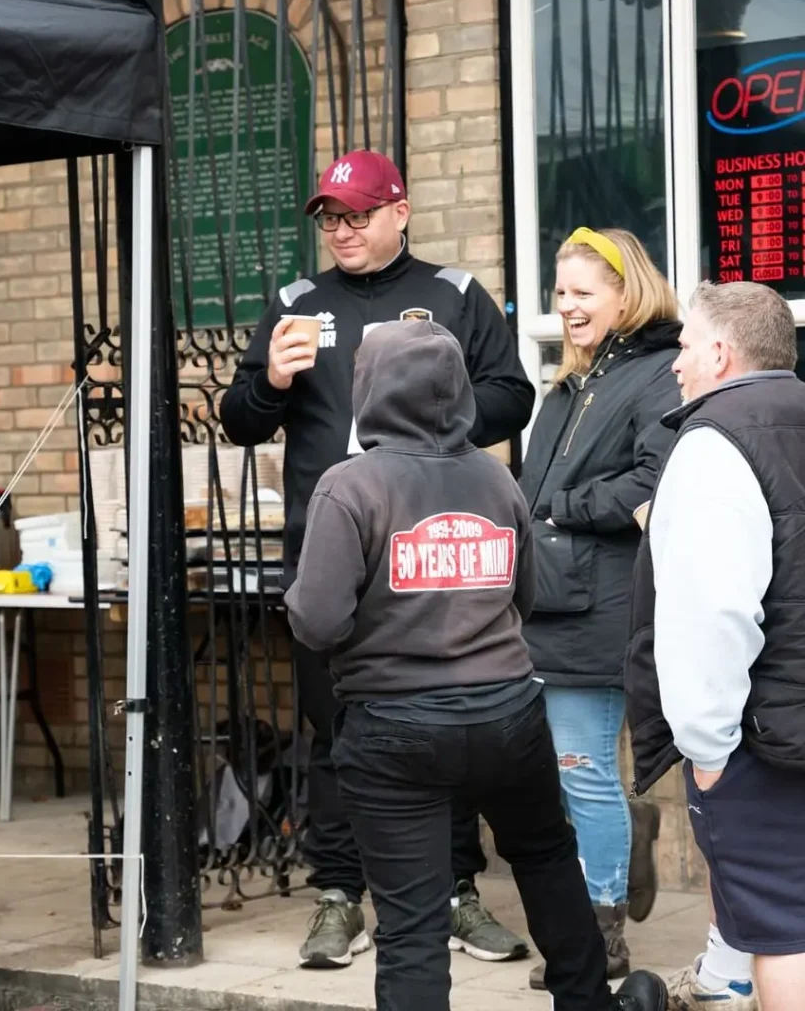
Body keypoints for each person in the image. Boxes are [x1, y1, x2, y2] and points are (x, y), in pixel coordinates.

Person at [285, 318, 668, 1011]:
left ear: (370, 388)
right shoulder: (496, 479)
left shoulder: (349, 486)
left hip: (393, 724)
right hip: (508, 717)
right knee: (547, 860)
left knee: (412, 925)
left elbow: (317, 621)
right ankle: (588, 1000)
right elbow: (524, 595)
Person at [220, 148, 535, 969]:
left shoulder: (454, 294)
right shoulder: (298, 303)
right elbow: (240, 419)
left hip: (434, 553)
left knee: (444, 723)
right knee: (333, 729)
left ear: (400, 212)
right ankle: (337, 895)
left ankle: (456, 893)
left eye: (358, 215)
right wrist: (271, 382)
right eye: (330, 218)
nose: (342, 230)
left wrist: (438, 412)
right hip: (329, 554)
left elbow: (514, 395)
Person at [625, 280, 805, 1011]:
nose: (675, 362)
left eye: (686, 345)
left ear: (723, 352)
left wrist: (708, 750)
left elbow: (713, 613)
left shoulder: (713, 445)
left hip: (764, 748)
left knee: (784, 937)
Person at [517, 227, 678, 988]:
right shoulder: (569, 382)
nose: (567, 306)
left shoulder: (657, 375)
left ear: (626, 293)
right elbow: (531, 494)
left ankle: (602, 934)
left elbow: (657, 481)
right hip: (544, 606)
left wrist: (565, 505)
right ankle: (624, 831)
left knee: (581, 770)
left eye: (583, 292)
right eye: (561, 292)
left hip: (603, 609)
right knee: (562, 775)